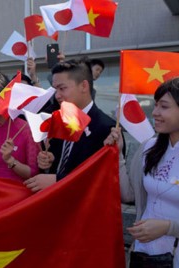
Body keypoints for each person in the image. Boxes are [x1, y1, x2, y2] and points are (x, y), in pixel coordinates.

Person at [105, 77, 179, 268]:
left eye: (164, 106)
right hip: (146, 254)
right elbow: (128, 195)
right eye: (156, 104)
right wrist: (116, 156)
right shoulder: (150, 147)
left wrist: (168, 227)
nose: (155, 112)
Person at [24, 59, 115, 192]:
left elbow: (102, 179)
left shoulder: (106, 128)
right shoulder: (60, 118)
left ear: (84, 86)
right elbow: (60, 162)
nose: (57, 96)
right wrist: (49, 161)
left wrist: (57, 180)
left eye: (62, 88)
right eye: (56, 90)